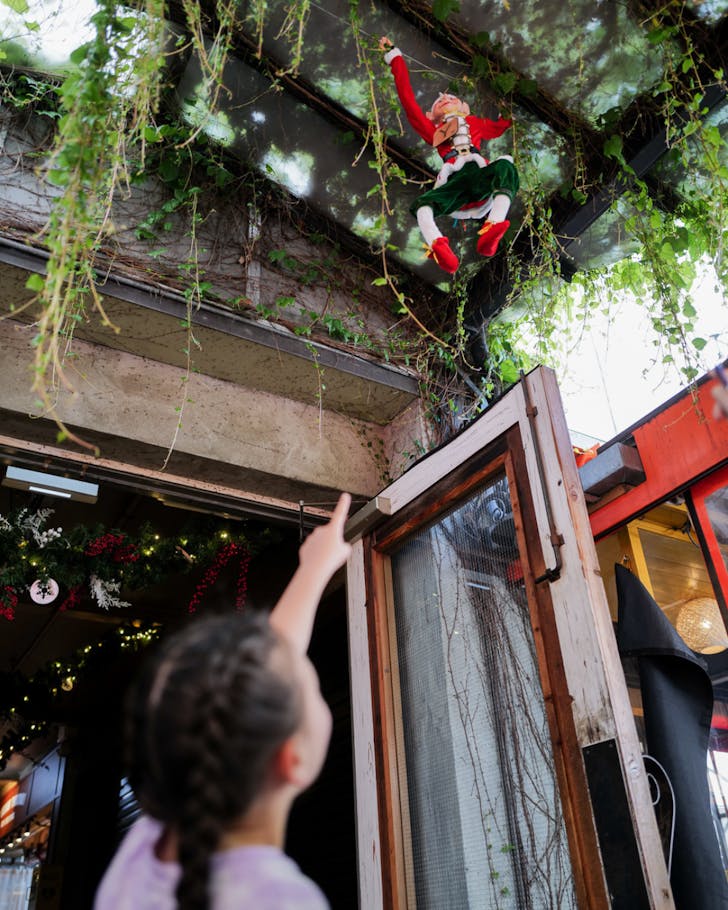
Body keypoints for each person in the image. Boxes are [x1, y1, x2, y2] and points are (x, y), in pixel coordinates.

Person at [94, 493, 352, 910]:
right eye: (314, 688)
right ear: (292, 758)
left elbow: (268, 660)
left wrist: (315, 569)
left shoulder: (148, 850)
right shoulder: (283, 901)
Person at [379, 36, 520, 274]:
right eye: (438, 101)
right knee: (423, 205)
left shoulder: (475, 123)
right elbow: (409, 102)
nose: (445, 98)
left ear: (465, 108)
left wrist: (507, 107)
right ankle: (439, 247)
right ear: (430, 115)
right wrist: (395, 58)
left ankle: (492, 226)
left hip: (479, 177)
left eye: (451, 97)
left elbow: (500, 126)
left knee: (506, 164)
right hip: (454, 181)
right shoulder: (433, 130)